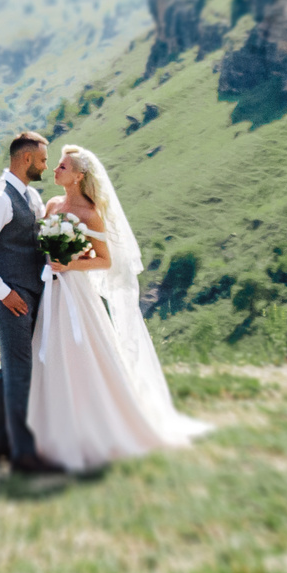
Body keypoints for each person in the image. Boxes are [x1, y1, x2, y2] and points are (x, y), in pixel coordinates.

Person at [28, 144, 211, 472]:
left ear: (79, 177)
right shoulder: (53, 204)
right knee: (52, 353)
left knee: (81, 353)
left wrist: (69, 264)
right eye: (56, 165)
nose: (55, 170)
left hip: (76, 295)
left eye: (63, 167)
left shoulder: (89, 213)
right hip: (51, 293)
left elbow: (105, 259)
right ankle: (54, 436)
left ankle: (98, 429)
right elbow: (41, 247)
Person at [0, 130, 59, 474]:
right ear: (26, 159)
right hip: (11, 299)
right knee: (21, 373)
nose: (47, 166)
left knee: (10, 370)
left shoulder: (32, 196)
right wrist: (4, 293)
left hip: (32, 293)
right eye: (44, 159)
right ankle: (23, 456)